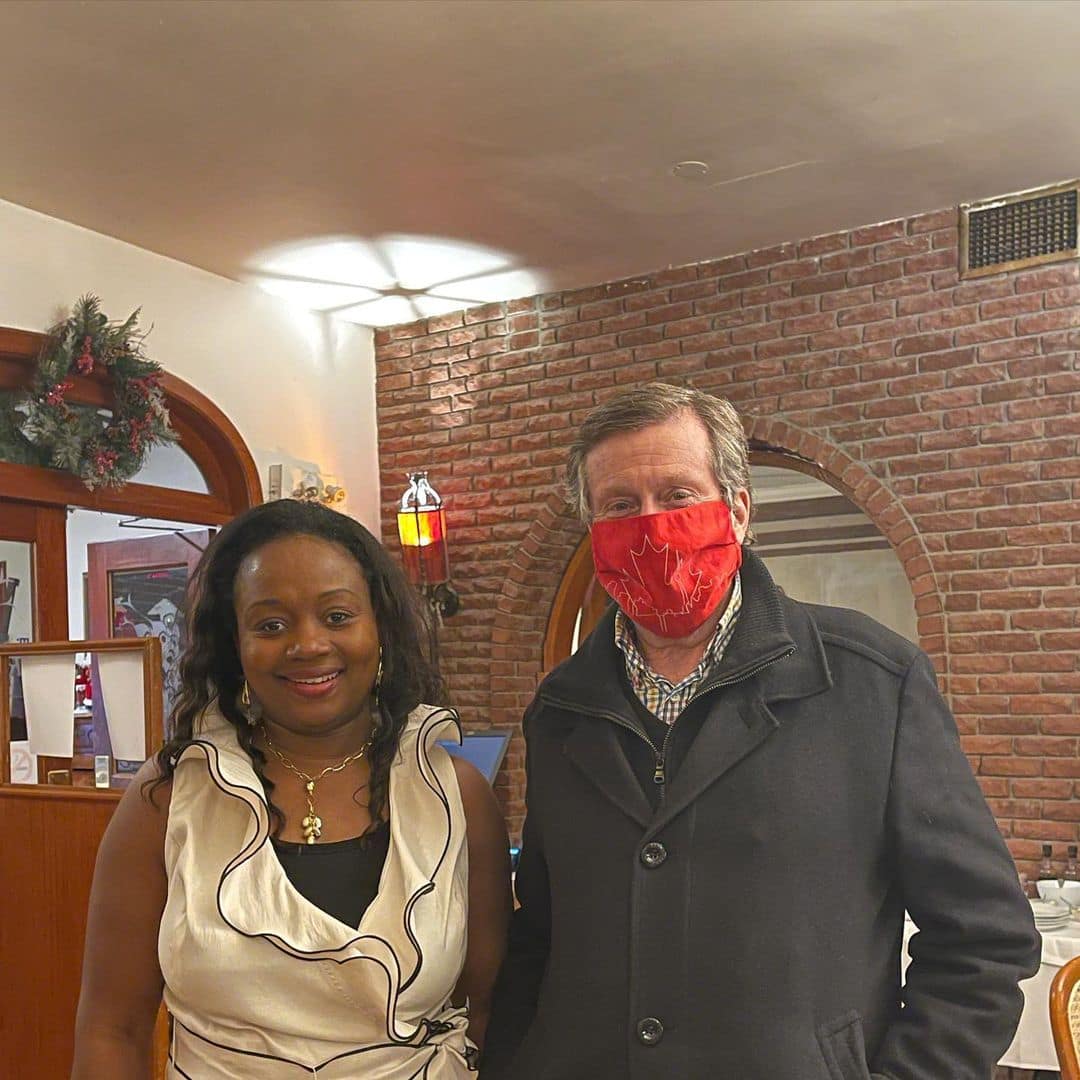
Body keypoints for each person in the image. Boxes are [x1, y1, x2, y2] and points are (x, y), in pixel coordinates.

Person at [482, 382, 1040, 1080]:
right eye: (620, 505)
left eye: (677, 495)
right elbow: (542, 933)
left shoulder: (874, 683)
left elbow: (982, 940)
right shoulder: (560, 709)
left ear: (739, 510)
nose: (650, 526)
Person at [72, 499, 511, 1078]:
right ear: (235, 645)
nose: (307, 644)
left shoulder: (456, 795)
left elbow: (488, 1014)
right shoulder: (169, 797)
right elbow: (113, 1029)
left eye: (337, 616)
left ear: (379, 628)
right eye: (271, 625)